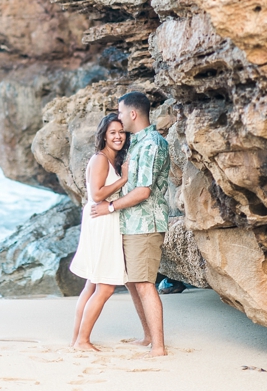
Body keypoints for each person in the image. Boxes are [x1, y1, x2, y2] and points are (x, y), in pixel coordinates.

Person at [91, 91, 171, 358]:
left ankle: (158, 347)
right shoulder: (136, 143)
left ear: (133, 114)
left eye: (121, 112)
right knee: (132, 282)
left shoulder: (151, 144)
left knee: (145, 283)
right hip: (129, 224)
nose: (120, 117)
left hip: (145, 224)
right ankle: (148, 336)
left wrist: (110, 207)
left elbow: (143, 191)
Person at [69, 113, 130, 351]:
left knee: (92, 284)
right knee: (104, 286)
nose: (118, 137)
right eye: (113, 132)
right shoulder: (100, 159)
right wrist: (123, 179)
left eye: (121, 132)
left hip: (102, 219)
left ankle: (77, 339)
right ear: (104, 135)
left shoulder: (110, 159)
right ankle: (82, 341)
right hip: (100, 220)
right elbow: (96, 194)